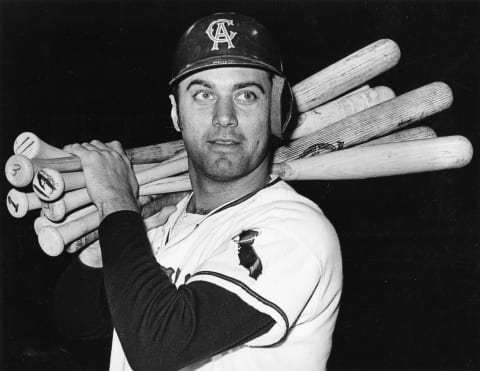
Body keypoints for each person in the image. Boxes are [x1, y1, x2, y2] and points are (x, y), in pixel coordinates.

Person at [55, 12, 342, 371]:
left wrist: (115, 201)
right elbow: (77, 325)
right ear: (176, 113)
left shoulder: (296, 230)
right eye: (204, 94)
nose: (224, 116)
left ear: (274, 111)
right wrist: (104, 246)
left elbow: (158, 346)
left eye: (247, 95)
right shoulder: (159, 222)